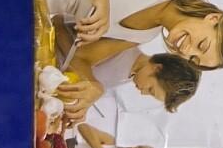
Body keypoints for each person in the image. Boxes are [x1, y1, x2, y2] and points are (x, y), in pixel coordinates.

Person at [58, 42, 200, 121]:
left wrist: (80, 107)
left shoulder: (128, 77)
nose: (143, 93)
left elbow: (82, 82)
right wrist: (95, 88)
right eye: (150, 90)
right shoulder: (124, 47)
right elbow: (74, 55)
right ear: (157, 68)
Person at [119, 0, 223, 69]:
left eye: (192, 58)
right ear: (213, 18)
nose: (185, 51)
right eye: (201, 45)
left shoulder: (142, 36)